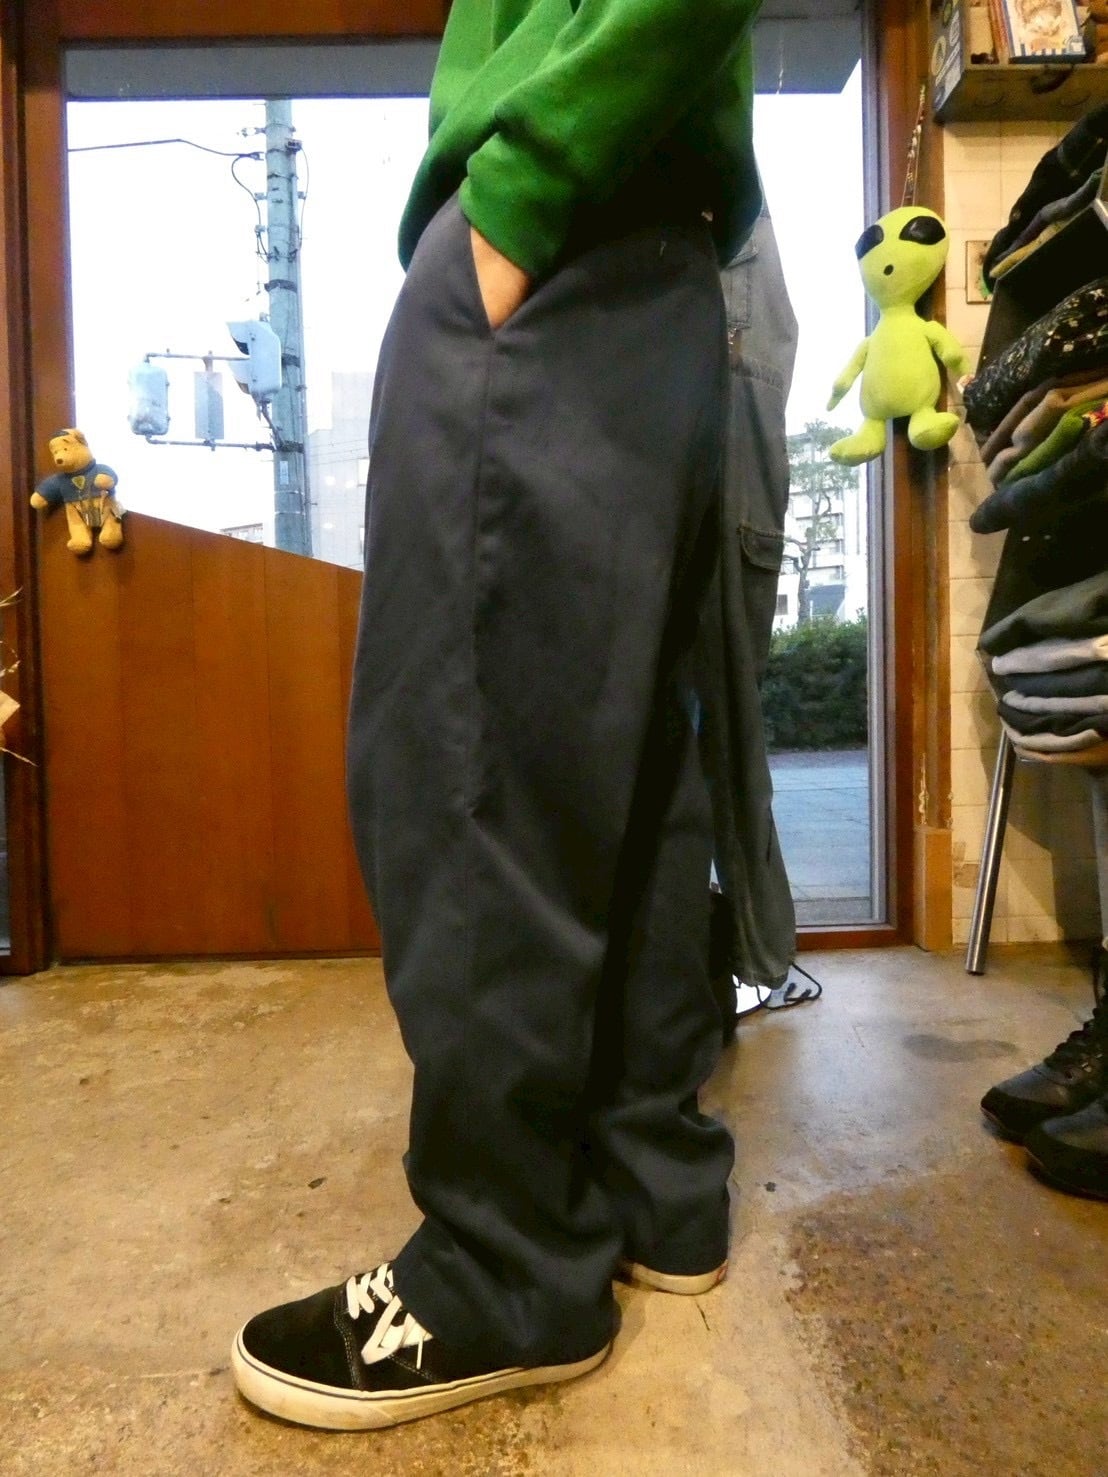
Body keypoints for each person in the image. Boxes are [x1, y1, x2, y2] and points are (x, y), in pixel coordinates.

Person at [232, 0, 764, 1431]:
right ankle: (653, 1186)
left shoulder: (542, 198)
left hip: (558, 228)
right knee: (632, 766)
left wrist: (521, 193)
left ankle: (507, 1261)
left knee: (469, 764)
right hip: (656, 259)